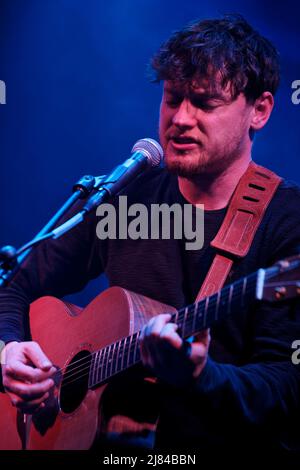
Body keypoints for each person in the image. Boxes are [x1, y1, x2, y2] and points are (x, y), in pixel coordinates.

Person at [1, 14, 300, 454]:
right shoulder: (127, 197)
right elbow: (15, 283)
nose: (180, 118)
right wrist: (8, 350)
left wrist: (201, 374)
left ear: (260, 110)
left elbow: (287, 385)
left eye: (204, 103)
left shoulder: (287, 219)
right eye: (173, 98)